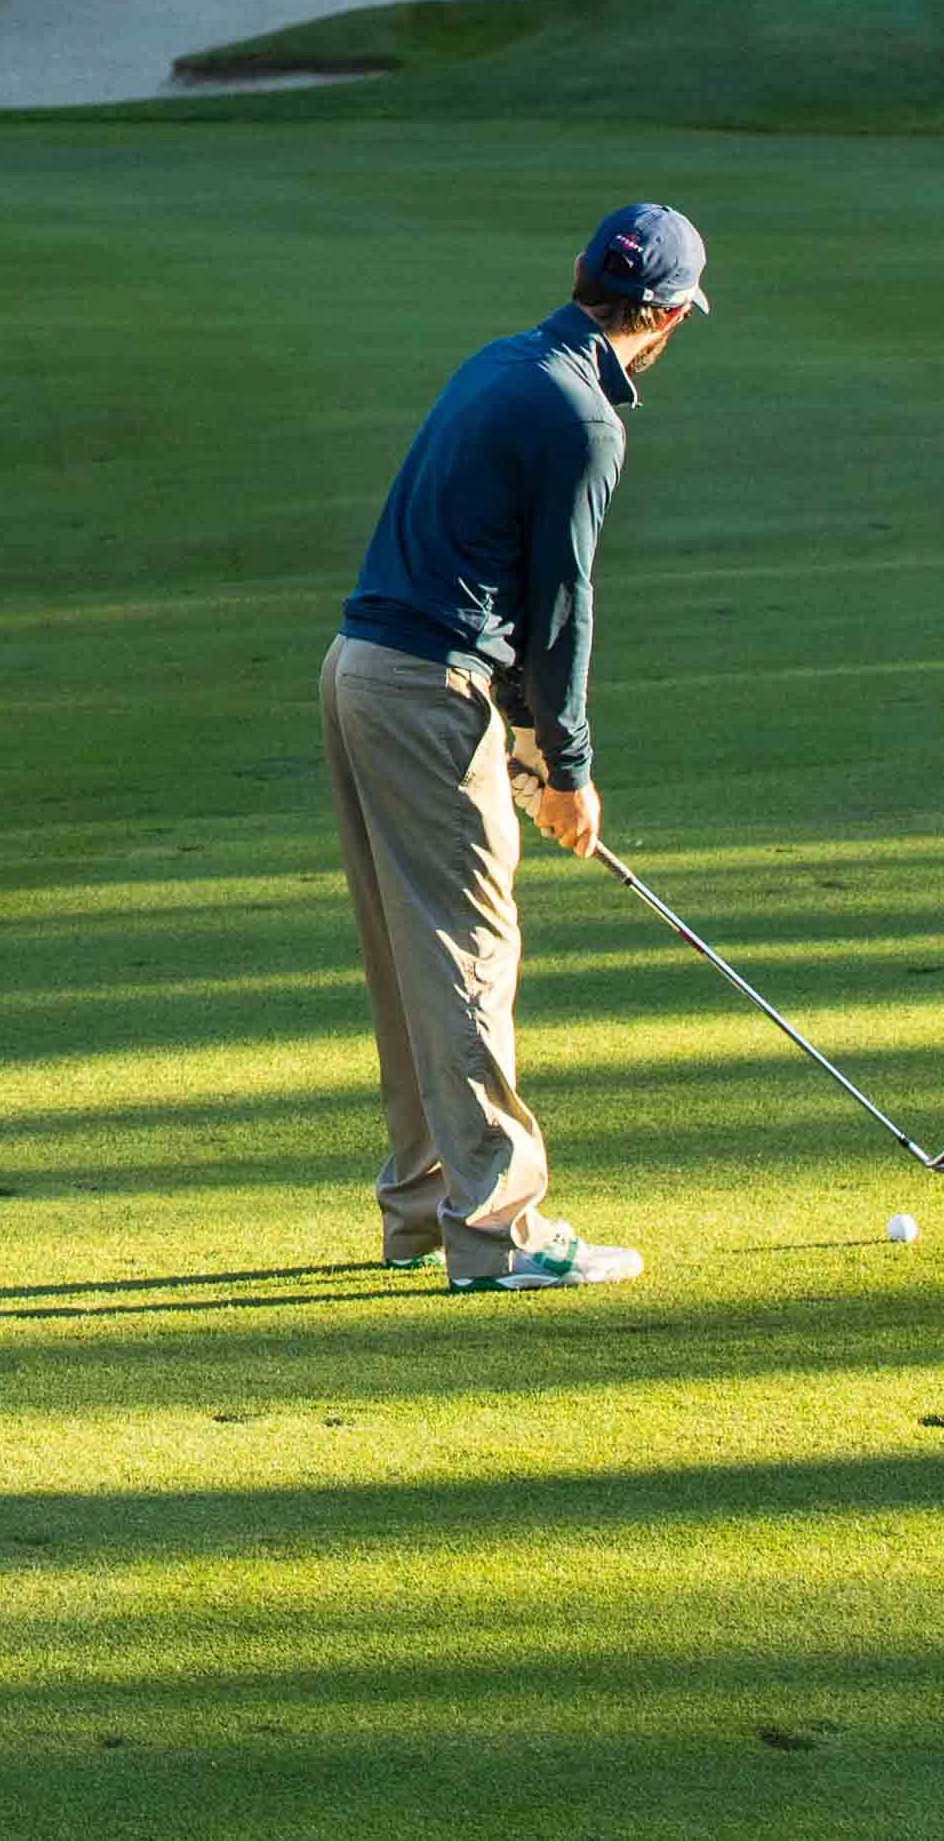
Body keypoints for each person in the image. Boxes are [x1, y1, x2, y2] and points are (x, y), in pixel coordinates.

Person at [321, 198, 705, 1289]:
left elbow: (490, 576)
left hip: (361, 667)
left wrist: (527, 739)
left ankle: (422, 1211)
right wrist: (569, 769)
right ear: (670, 316)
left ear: (579, 275)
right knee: (467, 953)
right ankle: (495, 1232)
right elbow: (559, 608)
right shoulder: (585, 418)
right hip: (425, 689)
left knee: (414, 953)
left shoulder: (504, 361)